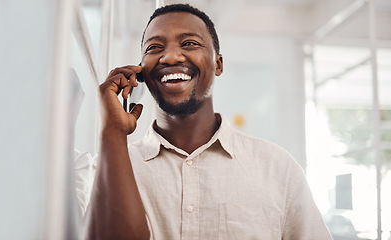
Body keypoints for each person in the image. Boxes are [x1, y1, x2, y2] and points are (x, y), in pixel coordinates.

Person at [81, 3, 332, 240]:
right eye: (154, 47)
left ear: (218, 64)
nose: (170, 57)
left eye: (189, 43)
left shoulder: (277, 168)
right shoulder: (110, 167)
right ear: (141, 71)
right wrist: (113, 131)